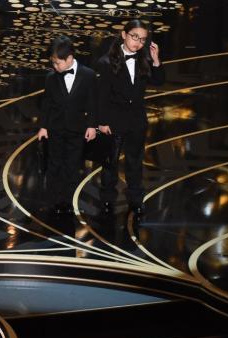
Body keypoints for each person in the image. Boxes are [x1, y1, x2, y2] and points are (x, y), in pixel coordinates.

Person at [96, 19, 165, 215]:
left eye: (142, 39)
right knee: (110, 163)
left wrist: (156, 59)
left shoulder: (145, 58)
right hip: (113, 121)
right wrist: (101, 122)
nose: (138, 42)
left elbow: (159, 80)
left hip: (137, 121)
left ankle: (136, 199)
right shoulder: (106, 62)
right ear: (124, 34)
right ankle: (107, 199)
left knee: (135, 162)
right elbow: (101, 96)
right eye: (135, 37)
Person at [37, 35, 97, 215]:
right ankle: (54, 199)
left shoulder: (88, 75)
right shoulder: (51, 77)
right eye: (53, 63)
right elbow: (46, 104)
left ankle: (70, 199)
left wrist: (92, 125)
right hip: (55, 128)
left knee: (72, 165)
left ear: (70, 58)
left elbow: (93, 102)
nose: (55, 67)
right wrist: (43, 126)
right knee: (55, 163)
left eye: (57, 63)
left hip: (77, 129)